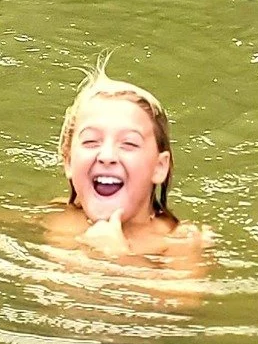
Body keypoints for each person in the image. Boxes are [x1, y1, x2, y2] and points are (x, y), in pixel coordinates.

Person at [44, 73, 207, 270]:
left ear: (159, 167)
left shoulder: (179, 242)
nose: (107, 155)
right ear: (68, 161)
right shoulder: (59, 216)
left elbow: (181, 299)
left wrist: (118, 257)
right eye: (90, 141)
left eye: (129, 143)